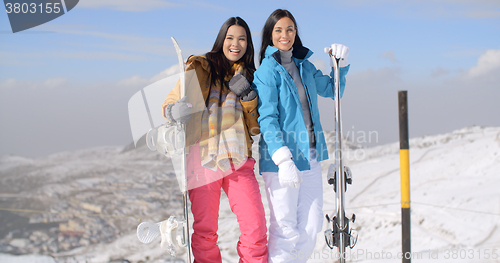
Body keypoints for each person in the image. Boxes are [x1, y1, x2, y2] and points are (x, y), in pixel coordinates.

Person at [161, 17, 268, 263]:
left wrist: (249, 99)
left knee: (256, 229)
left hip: (239, 157)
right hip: (202, 156)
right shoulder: (200, 67)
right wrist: (173, 111)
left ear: (248, 44)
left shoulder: (252, 76)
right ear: (221, 40)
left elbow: (256, 126)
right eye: (230, 37)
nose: (236, 43)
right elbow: (171, 101)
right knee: (205, 233)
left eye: (242, 39)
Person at [253, 9, 350, 262]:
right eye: (279, 30)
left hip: (310, 156)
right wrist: (283, 160)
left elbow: (332, 90)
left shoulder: (305, 67)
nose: (285, 35)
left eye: (290, 29)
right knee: (284, 229)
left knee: (311, 225)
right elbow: (267, 119)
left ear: (296, 33)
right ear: (270, 35)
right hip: (281, 161)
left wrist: (340, 64)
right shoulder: (266, 71)